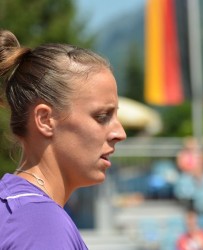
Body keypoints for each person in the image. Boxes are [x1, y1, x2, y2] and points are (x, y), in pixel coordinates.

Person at [0, 30, 126, 249]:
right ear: (45, 119)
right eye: (102, 116)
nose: (120, 133)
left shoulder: (19, 208)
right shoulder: (40, 224)